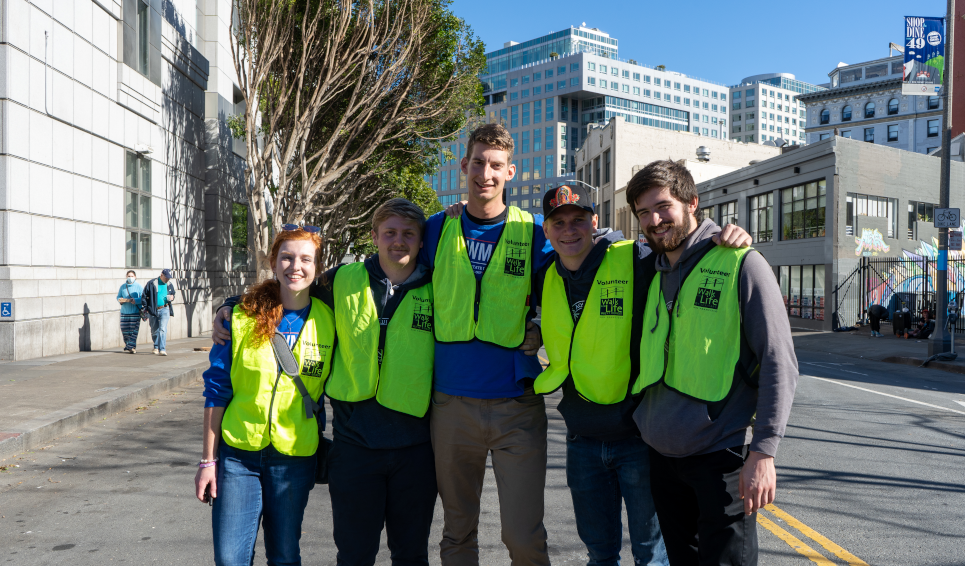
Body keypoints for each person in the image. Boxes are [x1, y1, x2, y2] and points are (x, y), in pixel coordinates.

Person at [210, 200, 441, 566]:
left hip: (415, 447)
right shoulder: (341, 280)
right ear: (374, 237)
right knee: (353, 555)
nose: (399, 241)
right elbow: (290, 289)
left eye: (409, 234)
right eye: (390, 233)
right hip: (354, 448)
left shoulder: (438, 284)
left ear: (421, 240)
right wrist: (231, 304)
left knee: (411, 554)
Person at [530, 184, 751, 566]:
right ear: (547, 231)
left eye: (579, 220)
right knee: (599, 554)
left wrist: (724, 235)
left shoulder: (636, 257)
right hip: (581, 438)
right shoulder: (543, 276)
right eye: (559, 222)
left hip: (638, 439)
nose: (569, 230)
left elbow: (681, 249)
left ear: (594, 222)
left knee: (652, 554)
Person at [626, 160, 799, 566]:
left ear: (692, 203)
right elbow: (581, 239)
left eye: (663, 206)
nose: (654, 220)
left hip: (721, 457)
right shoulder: (652, 268)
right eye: (643, 213)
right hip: (661, 457)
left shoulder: (742, 261)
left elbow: (780, 362)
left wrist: (764, 454)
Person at [423, 123, 553, 566]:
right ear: (464, 166)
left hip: (517, 406)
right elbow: (379, 272)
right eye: (478, 162)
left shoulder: (534, 231)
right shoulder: (436, 230)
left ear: (511, 172)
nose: (486, 173)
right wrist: (241, 303)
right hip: (452, 406)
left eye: (496, 165)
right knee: (458, 533)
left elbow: (583, 272)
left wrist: (541, 328)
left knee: (523, 536)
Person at [195, 225, 334, 566]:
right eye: (286, 257)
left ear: (318, 266)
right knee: (230, 558)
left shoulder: (332, 321)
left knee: (285, 556)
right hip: (238, 457)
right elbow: (216, 391)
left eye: (305, 259)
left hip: (295, 457)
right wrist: (208, 461)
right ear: (274, 263)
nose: (295, 266)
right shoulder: (240, 317)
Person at [142, 269, 175, 355]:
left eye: (169, 278)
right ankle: (156, 346)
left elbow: (173, 293)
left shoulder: (169, 284)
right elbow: (144, 296)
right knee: (154, 330)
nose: (167, 279)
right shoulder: (152, 283)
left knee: (162, 329)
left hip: (165, 308)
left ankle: (162, 349)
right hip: (153, 310)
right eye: (166, 277)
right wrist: (146, 308)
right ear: (161, 275)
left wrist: (172, 297)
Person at [117, 270, 143, 353]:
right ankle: (128, 345)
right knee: (125, 330)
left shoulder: (139, 286)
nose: (130, 278)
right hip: (124, 311)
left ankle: (131, 347)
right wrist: (120, 300)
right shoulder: (123, 287)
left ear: (135, 277)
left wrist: (136, 300)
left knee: (133, 331)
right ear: (126, 276)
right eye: (129, 276)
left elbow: (143, 298)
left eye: (132, 276)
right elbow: (118, 296)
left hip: (135, 312)